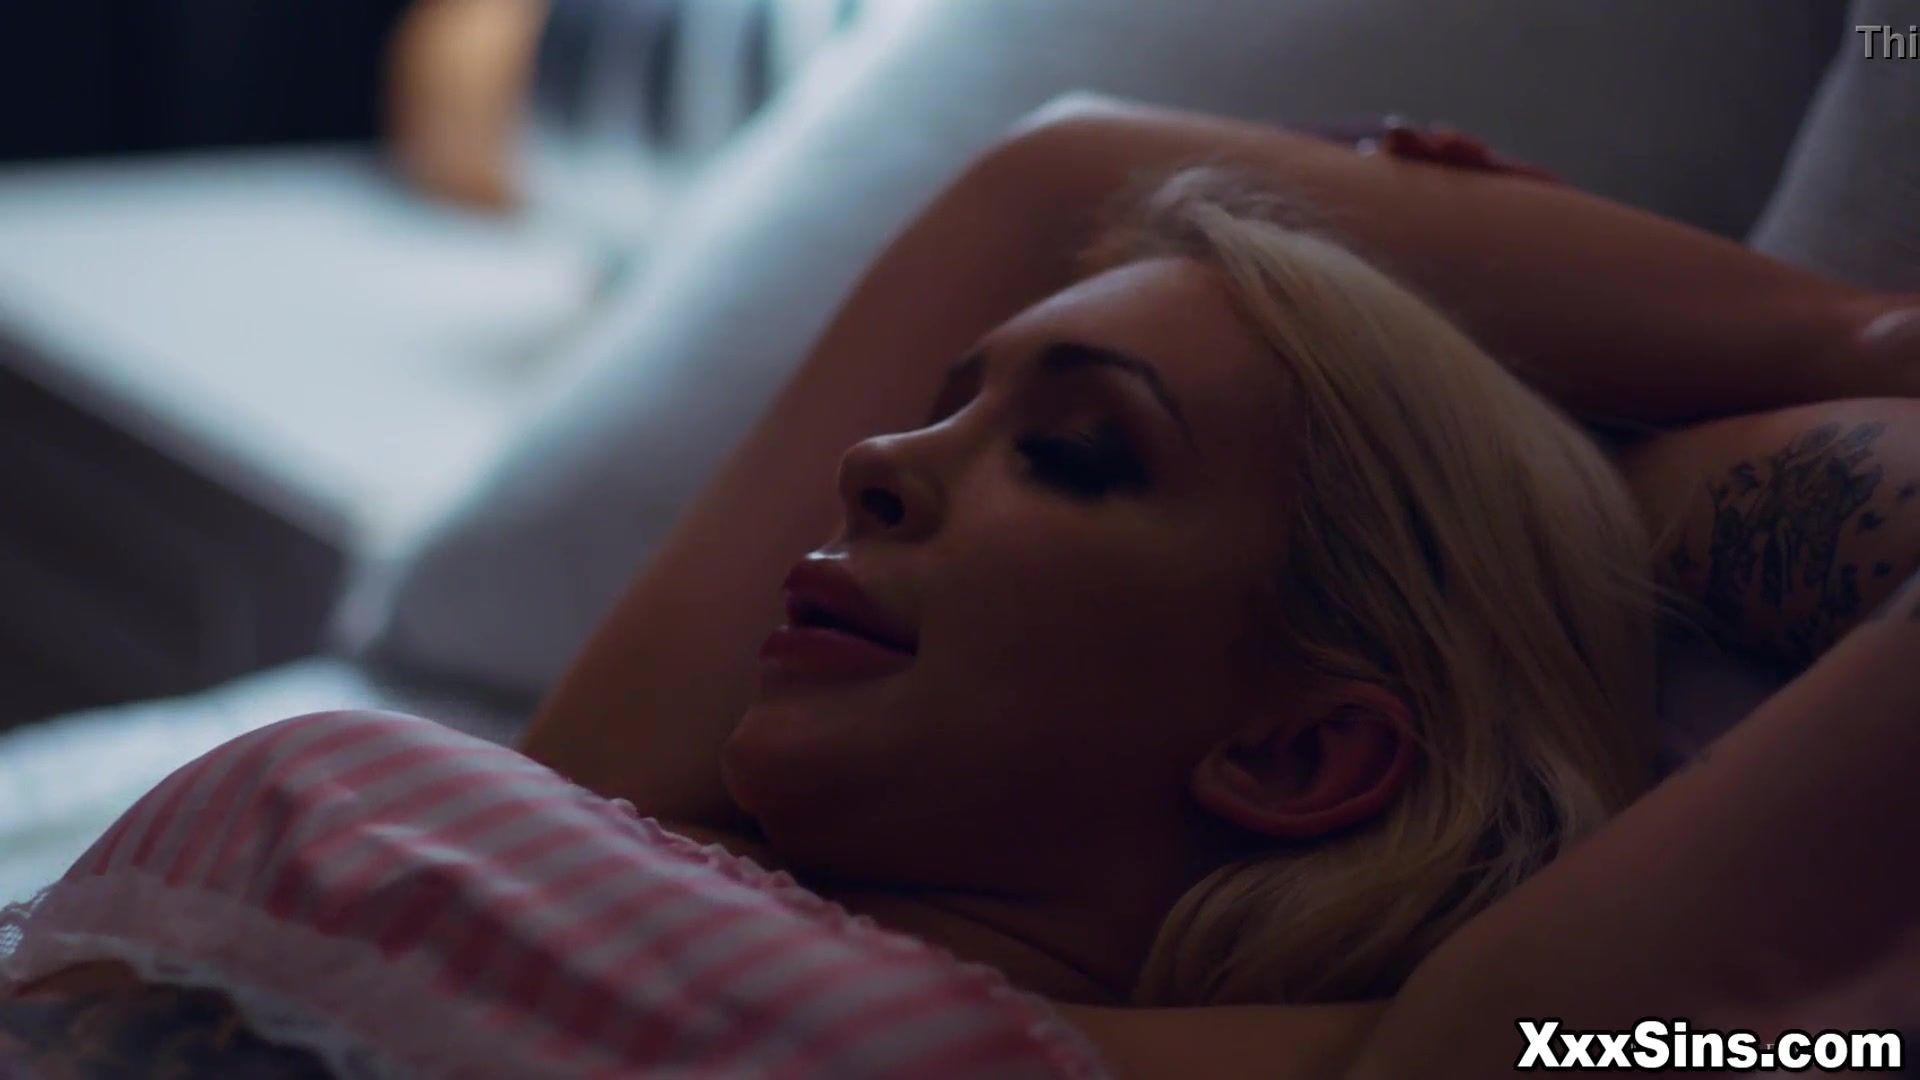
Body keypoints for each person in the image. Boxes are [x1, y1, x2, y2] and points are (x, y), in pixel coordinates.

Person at [3, 104, 1917, 1077]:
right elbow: (1059, 183)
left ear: (1305, 751)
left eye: (1078, 453)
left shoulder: (1403, 1058)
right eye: (944, 406)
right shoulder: (627, 798)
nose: (873, 464)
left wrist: (1678, 439)